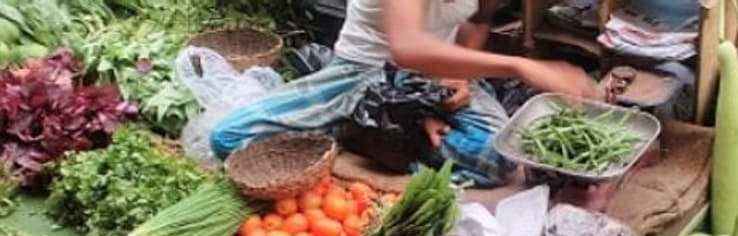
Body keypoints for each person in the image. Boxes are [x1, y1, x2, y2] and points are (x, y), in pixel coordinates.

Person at [210, 0, 600, 187]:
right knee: (230, 137)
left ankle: (383, 137)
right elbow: (407, 47)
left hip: (437, 75)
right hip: (364, 73)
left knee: (500, 157)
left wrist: (463, 74)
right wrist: (522, 66)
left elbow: (477, 20)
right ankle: (369, 131)